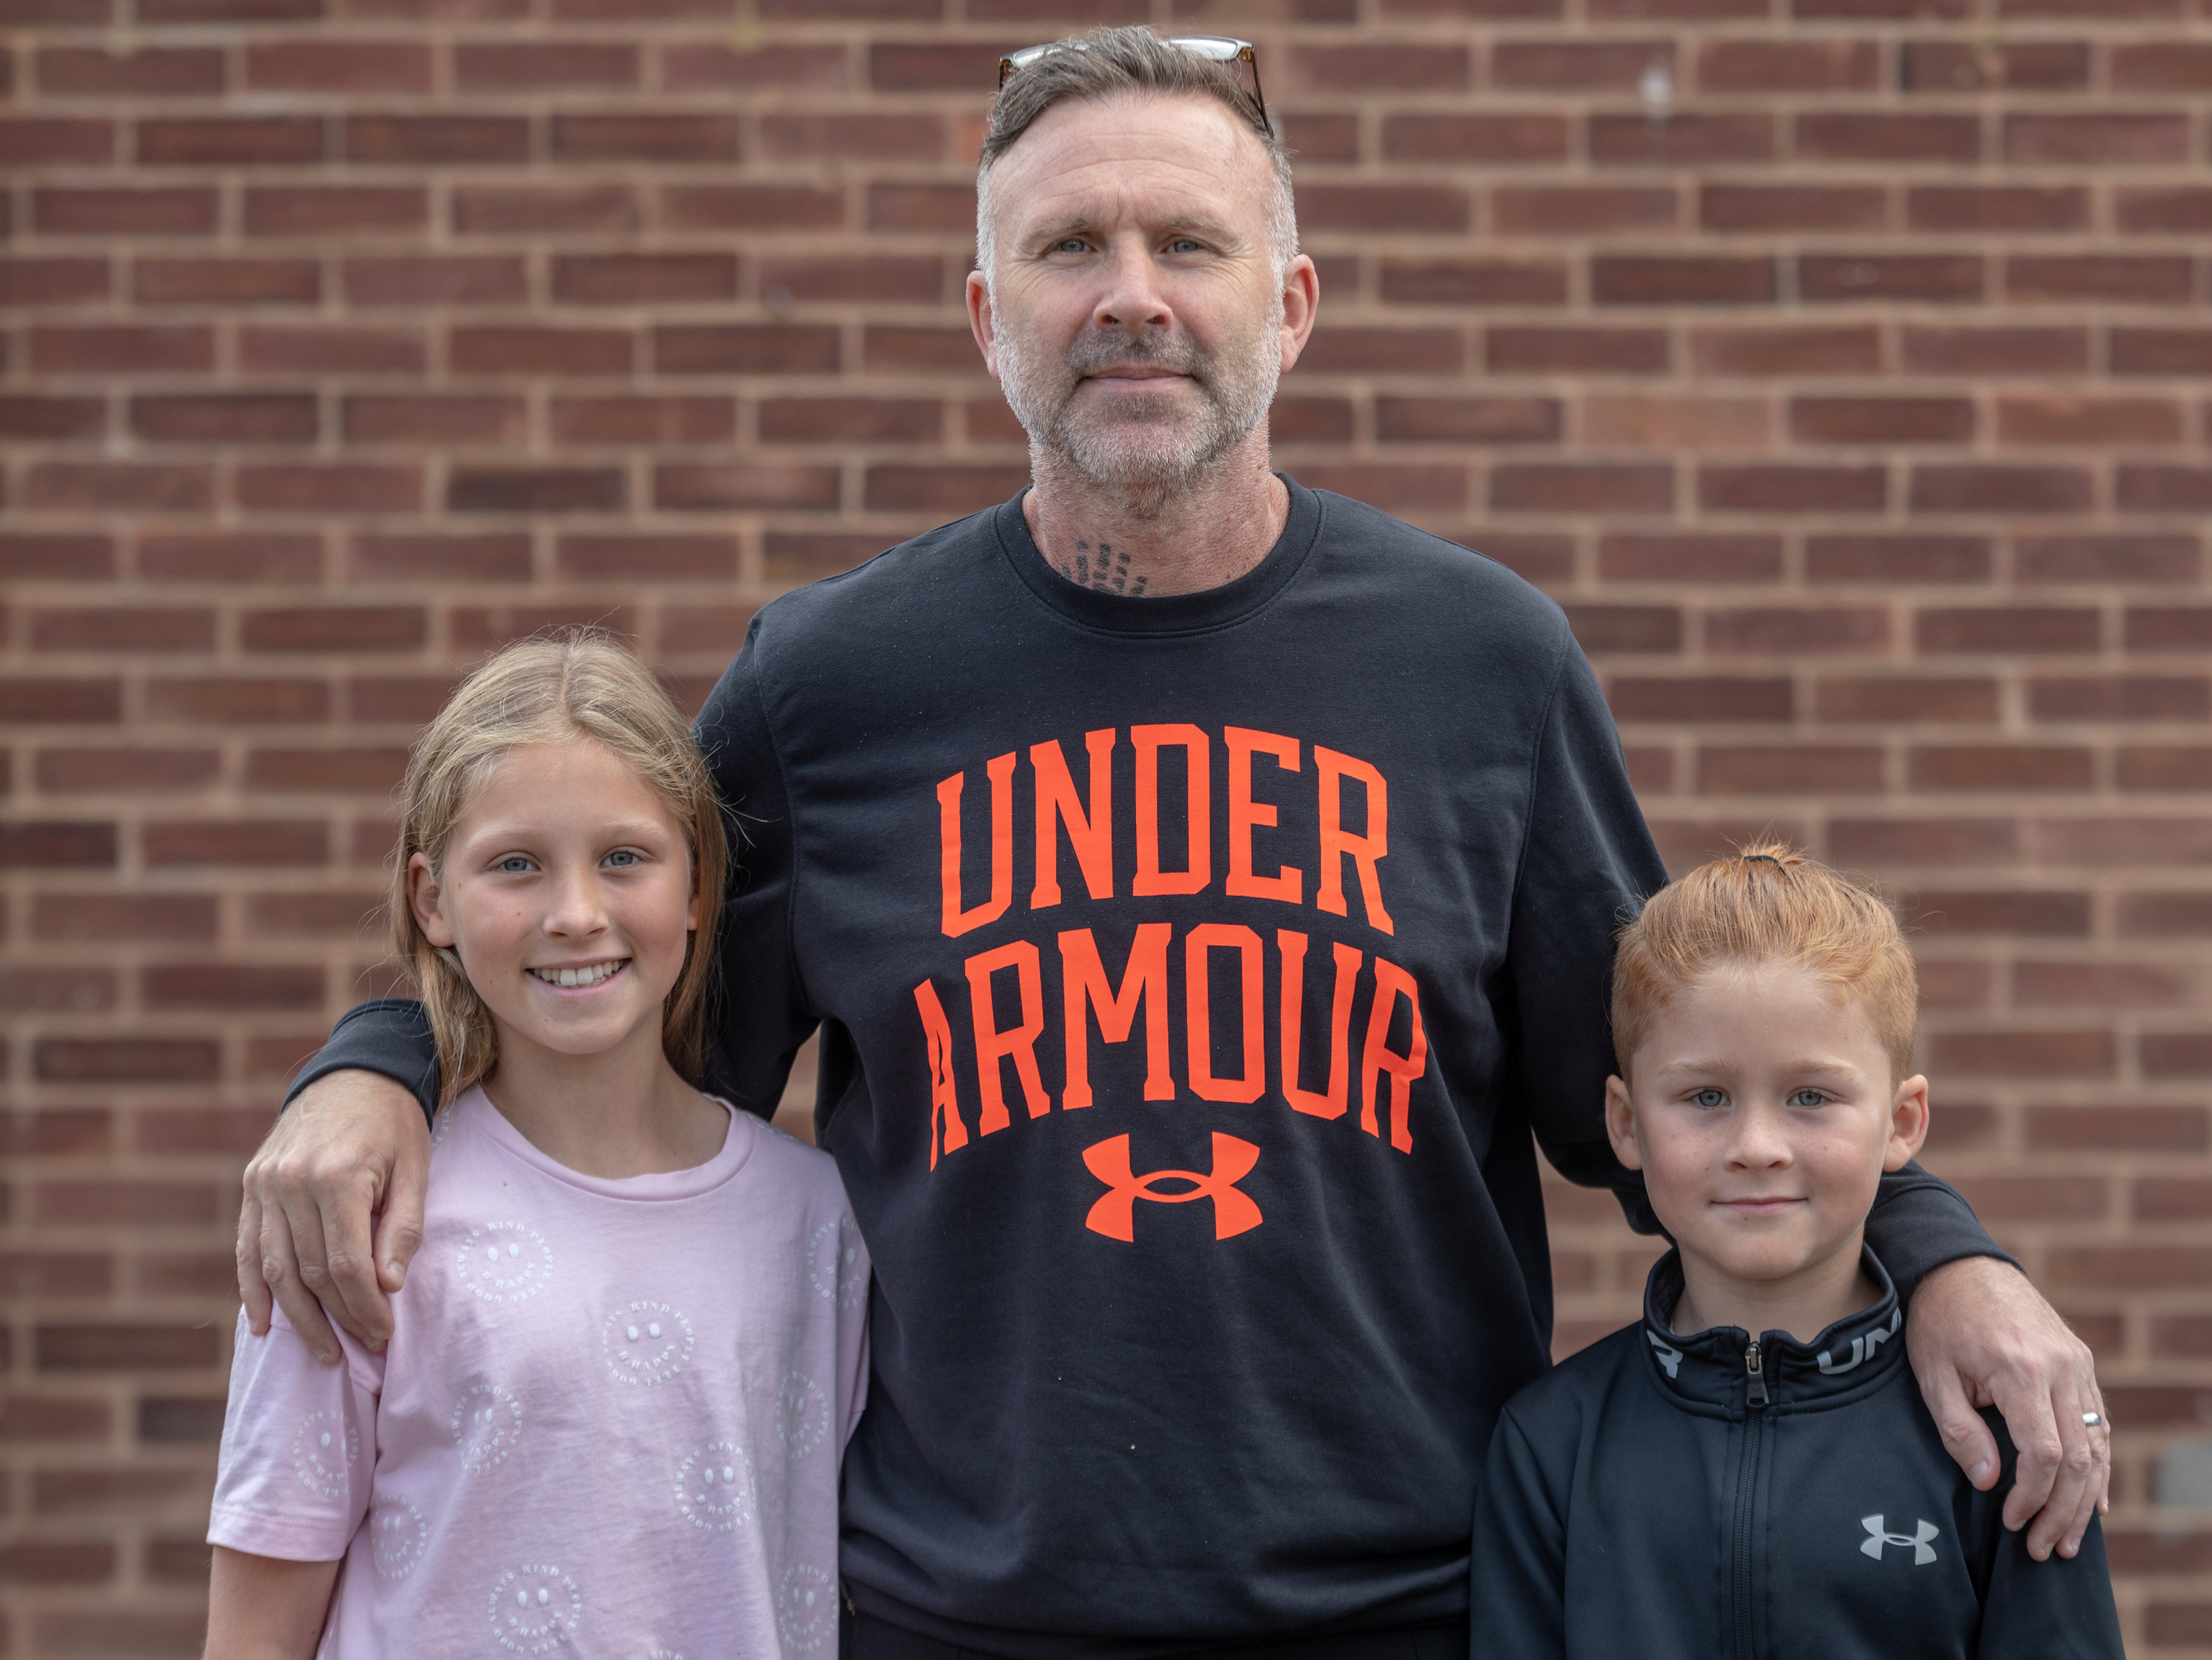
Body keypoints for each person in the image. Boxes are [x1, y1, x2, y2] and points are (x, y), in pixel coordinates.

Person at [234, 27, 2108, 1658]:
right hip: (943, 1617)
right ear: (989, 320)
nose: (1127, 292)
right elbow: (605, 998)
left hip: (1410, 1603)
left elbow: (1672, 1086)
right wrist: (377, 1063)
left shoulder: (1480, 663)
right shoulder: (832, 683)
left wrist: (1940, 1253)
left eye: (1184, 244)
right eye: (1066, 248)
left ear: (1284, 304)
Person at [204, 636, 868, 1658]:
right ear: (433, 902)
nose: (575, 914)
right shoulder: (359, 1214)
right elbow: (254, 1632)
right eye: (516, 865)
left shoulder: (820, 1221)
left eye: (624, 858)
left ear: (699, 888)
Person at [1470, 848, 2122, 1659]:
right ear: (1625, 1123)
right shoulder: (1549, 1444)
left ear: (1901, 1123)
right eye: (1704, 1097)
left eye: (1809, 1097)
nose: (1755, 1146)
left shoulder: (2001, 1439)